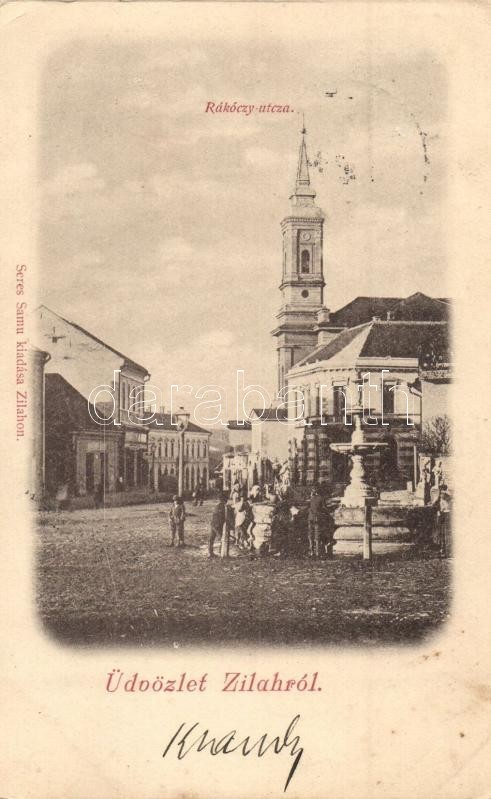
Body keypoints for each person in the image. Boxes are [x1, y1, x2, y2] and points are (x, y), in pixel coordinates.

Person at [308, 486, 325, 558]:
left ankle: (311, 552)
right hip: (317, 518)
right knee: (317, 536)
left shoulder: (311, 498)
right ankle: (318, 552)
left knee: (310, 535)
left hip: (310, 518)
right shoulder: (321, 498)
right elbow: (324, 508)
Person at [209, 493, 227, 558]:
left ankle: (210, 553)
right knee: (221, 538)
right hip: (217, 525)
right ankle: (221, 552)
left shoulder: (217, 506)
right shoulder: (222, 507)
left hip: (213, 524)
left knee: (211, 539)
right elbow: (222, 517)